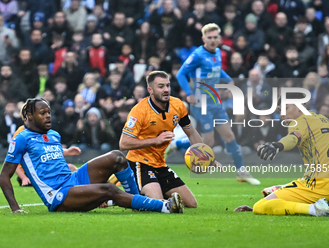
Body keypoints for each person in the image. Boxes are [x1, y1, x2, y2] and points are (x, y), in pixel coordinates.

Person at [0, 98, 184, 213]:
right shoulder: (21, 138)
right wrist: (15, 208)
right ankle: (163, 206)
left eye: (49, 112)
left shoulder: (54, 135)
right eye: (42, 113)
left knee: (117, 156)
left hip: (72, 180)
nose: (48, 116)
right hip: (59, 195)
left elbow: (45, 157)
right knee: (109, 189)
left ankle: (138, 202)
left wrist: (65, 152)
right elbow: (4, 176)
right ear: (30, 116)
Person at [176, 23, 260, 185]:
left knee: (229, 135)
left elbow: (217, 70)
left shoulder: (219, 53)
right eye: (210, 37)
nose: (213, 40)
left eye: (215, 37)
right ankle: (178, 144)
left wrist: (228, 79)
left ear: (220, 38)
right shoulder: (198, 55)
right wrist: (189, 93)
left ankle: (241, 172)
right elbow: (181, 74)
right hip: (201, 104)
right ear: (203, 38)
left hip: (215, 103)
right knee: (209, 142)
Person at [119, 71, 217, 208]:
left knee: (191, 204)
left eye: (167, 86)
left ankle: (150, 191)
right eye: (161, 86)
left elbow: (192, 133)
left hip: (160, 164)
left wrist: (206, 157)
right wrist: (155, 140)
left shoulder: (178, 105)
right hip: (139, 163)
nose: (166, 90)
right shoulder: (139, 111)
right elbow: (124, 143)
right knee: (157, 203)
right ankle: (129, 196)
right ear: (150, 90)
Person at [235, 93, 329, 217]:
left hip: (320, 186)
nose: (282, 114)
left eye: (286, 108)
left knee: (260, 206)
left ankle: (314, 209)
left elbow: (293, 138)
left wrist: (277, 145)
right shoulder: (325, 121)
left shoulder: (300, 122)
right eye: (280, 110)